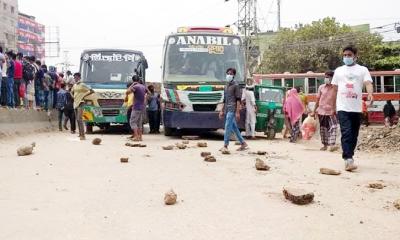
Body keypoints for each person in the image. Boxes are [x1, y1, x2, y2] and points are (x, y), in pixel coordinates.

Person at [332, 45, 374, 172]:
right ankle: (348, 159)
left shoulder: (362, 70)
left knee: (354, 134)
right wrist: (333, 105)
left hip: (356, 108)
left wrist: (370, 94)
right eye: (344, 55)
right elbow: (334, 88)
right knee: (346, 132)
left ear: (355, 56)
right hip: (342, 107)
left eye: (349, 55)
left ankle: (350, 155)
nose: (346, 57)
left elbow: (368, 83)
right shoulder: (338, 70)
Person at [219, 68, 248, 151]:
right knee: (234, 127)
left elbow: (238, 99)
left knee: (227, 125)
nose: (229, 75)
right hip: (227, 108)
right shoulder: (226, 86)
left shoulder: (236, 85)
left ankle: (225, 145)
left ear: (234, 75)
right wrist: (221, 110)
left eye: (231, 74)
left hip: (233, 108)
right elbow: (224, 100)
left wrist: (237, 112)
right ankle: (243, 143)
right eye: (228, 73)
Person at [312, 71, 338, 151]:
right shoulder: (321, 87)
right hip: (321, 111)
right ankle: (325, 145)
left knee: (334, 127)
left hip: (331, 111)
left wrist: (335, 109)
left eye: (328, 77)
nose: (326, 78)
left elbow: (338, 99)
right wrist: (314, 111)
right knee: (323, 129)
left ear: (332, 78)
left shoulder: (335, 88)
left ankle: (332, 144)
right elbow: (317, 100)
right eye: (326, 77)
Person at [71, 72, 94, 140]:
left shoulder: (83, 84)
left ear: (79, 77)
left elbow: (91, 91)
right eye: (74, 77)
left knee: (79, 119)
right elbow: (71, 92)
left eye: (76, 77)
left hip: (81, 102)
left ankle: (83, 135)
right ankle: (80, 134)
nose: (75, 78)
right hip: (75, 103)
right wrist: (73, 97)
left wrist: (84, 95)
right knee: (77, 120)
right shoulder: (74, 85)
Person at [126, 75, 146, 141]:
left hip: (136, 107)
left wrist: (132, 85)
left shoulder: (135, 86)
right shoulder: (143, 86)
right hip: (142, 107)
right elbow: (148, 93)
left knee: (132, 122)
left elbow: (127, 92)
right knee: (139, 123)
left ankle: (136, 137)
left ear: (133, 80)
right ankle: (140, 137)